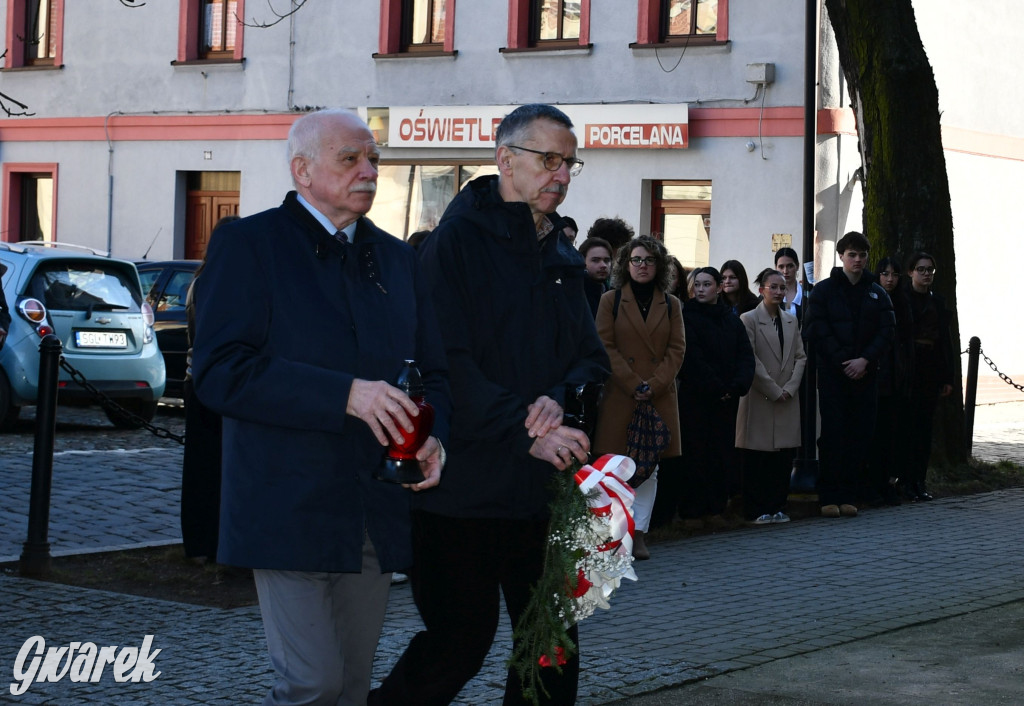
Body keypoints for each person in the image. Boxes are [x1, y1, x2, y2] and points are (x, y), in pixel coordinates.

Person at [191, 109, 451, 706]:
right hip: (286, 505)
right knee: (313, 684)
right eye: (350, 159)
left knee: (352, 688)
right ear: (302, 170)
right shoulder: (249, 243)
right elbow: (220, 370)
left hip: (374, 508)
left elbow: (433, 371)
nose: (369, 171)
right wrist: (344, 394)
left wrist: (436, 434)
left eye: (374, 160)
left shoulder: (395, 258)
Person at [370, 104, 610, 706]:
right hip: (464, 491)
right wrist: (522, 426)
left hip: (542, 492)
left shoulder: (559, 252)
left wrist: (558, 404)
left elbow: (590, 358)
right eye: (549, 159)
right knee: (459, 642)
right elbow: (445, 361)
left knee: (552, 647)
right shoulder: (455, 244)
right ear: (505, 158)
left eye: (569, 162)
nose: (561, 173)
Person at [593, 235, 685, 560]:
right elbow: (605, 346)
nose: (642, 266)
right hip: (622, 394)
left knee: (649, 468)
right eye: (636, 260)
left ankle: (639, 534)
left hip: (658, 396)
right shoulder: (611, 300)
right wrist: (634, 383)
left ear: (659, 265)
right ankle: (617, 534)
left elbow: (677, 349)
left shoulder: (672, 304)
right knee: (617, 467)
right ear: (626, 263)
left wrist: (654, 385)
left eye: (648, 260)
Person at [803, 231, 894, 518]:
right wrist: (845, 361)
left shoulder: (876, 292)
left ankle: (849, 494)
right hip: (833, 375)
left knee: (860, 435)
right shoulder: (824, 290)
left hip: (866, 375)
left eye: (862, 255)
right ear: (841, 256)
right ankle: (828, 496)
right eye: (852, 254)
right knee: (832, 435)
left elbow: (887, 330)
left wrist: (865, 360)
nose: (858, 260)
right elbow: (817, 328)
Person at [671, 267, 754, 529]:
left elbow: (745, 355)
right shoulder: (686, 316)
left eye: (707, 284)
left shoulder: (731, 320)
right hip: (697, 398)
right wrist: (717, 386)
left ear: (719, 288)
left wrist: (737, 384)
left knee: (721, 454)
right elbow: (691, 357)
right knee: (695, 454)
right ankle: (691, 512)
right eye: (697, 285)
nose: (701, 289)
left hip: (727, 399)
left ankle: (716, 508)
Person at [179, 214, 238, 561]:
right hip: (213, 385)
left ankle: (201, 543)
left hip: (197, 381)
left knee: (201, 467)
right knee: (213, 469)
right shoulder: (218, 282)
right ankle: (207, 543)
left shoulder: (200, 280)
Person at [736, 269, 807, 525]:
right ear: (761, 289)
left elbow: (801, 356)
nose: (778, 292)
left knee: (782, 456)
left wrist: (790, 387)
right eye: (773, 287)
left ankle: (778, 505)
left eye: (782, 287)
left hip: (787, 396)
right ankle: (756, 509)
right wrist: (774, 389)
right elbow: (750, 359)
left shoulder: (791, 320)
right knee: (758, 456)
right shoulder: (749, 319)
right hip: (760, 397)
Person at [899, 251, 954, 502]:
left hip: (930, 368)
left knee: (924, 428)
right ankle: (904, 481)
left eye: (929, 270)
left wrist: (947, 377)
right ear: (910, 272)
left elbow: (946, 341)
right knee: (906, 427)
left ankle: (919, 481)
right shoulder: (902, 300)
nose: (926, 274)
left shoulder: (938, 302)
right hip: (909, 366)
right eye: (921, 269)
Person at [867, 255, 913, 506]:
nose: (890, 279)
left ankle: (887, 482)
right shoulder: (872, 298)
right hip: (877, 375)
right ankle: (872, 484)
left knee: (891, 435)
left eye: (894, 274)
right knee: (875, 434)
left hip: (896, 377)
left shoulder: (902, 303)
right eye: (885, 274)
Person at [774, 246, 812, 322]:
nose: (785, 271)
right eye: (781, 267)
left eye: (790, 266)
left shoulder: (808, 294)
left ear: (797, 266)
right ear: (776, 268)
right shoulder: (768, 294)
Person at [578, 235, 613, 317]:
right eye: (595, 260)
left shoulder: (611, 293)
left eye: (606, 260)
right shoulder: (575, 293)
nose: (603, 265)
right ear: (582, 261)